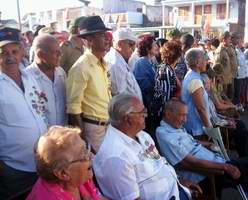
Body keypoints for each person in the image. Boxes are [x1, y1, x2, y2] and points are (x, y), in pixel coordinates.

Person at [93, 94, 202, 200]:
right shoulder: (115, 157)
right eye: (142, 113)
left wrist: (179, 180)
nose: (146, 115)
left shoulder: (142, 135)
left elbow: (159, 163)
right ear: (128, 119)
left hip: (177, 190)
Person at [156, 99, 248, 196]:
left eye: (186, 115)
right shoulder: (164, 134)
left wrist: (208, 144)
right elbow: (191, 162)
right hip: (210, 173)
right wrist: (225, 167)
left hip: (217, 162)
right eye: (182, 115)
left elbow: (191, 142)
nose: (185, 120)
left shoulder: (175, 127)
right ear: (168, 114)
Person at [0, 27, 48, 199]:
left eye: (14, 51)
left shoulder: (30, 77)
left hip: (41, 162)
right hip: (14, 167)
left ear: (22, 52)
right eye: (3, 52)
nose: (10, 57)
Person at [66, 16, 111, 152]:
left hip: (106, 125)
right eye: (102, 35)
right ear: (90, 40)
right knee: (97, 168)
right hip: (93, 128)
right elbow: (73, 108)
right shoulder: (80, 67)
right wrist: (83, 137)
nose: (107, 39)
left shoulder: (102, 63)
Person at [27, 126, 104, 200]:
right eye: (83, 154)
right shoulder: (52, 197)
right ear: (63, 173)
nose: (91, 155)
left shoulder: (80, 178)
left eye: (86, 148)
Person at [26, 34, 66, 126]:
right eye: (56, 53)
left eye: (60, 52)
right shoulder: (27, 77)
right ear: (40, 54)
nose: (60, 55)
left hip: (62, 134)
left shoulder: (61, 72)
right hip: (41, 137)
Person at [105, 28, 142, 100]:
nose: (133, 48)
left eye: (134, 45)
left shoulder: (119, 59)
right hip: (127, 110)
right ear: (119, 44)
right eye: (131, 44)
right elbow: (120, 97)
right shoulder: (115, 63)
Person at [182, 48, 212, 137]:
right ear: (197, 62)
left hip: (194, 126)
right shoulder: (195, 80)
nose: (207, 61)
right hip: (197, 129)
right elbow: (200, 108)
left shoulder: (191, 75)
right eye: (204, 58)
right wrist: (210, 129)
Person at [133, 35, 158, 135]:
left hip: (151, 107)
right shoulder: (141, 63)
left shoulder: (150, 62)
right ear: (148, 48)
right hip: (147, 107)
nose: (157, 47)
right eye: (154, 45)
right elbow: (144, 86)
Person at [151, 40, 182, 121]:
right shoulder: (165, 70)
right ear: (178, 57)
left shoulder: (167, 68)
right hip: (165, 116)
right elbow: (166, 97)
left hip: (168, 113)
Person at [214, 31, 236, 100]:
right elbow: (216, 66)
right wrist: (219, 77)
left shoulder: (226, 49)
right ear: (224, 39)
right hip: (223, 80)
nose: (230, 40)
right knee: (224, 97)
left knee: (230, 96)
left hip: (229, 77)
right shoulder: (220, 51)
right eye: (229, 39)